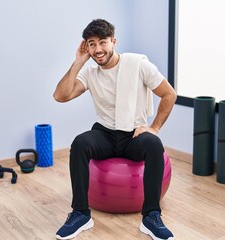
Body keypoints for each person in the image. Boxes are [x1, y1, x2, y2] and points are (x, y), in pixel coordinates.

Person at [53, 19, 177, 240]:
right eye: (91, 44)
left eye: (102, 42)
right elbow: (60, 96)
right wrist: (78, 63)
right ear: (87, 47)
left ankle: (151, 217)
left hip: (134, 134)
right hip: (105, 133)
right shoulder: (90, 73)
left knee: (154, 143)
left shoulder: (138, 65)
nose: (98, 49)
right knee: (80, 142)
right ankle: (81, 213)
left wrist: (154, 128)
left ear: (113, 41)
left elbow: (169, 94)